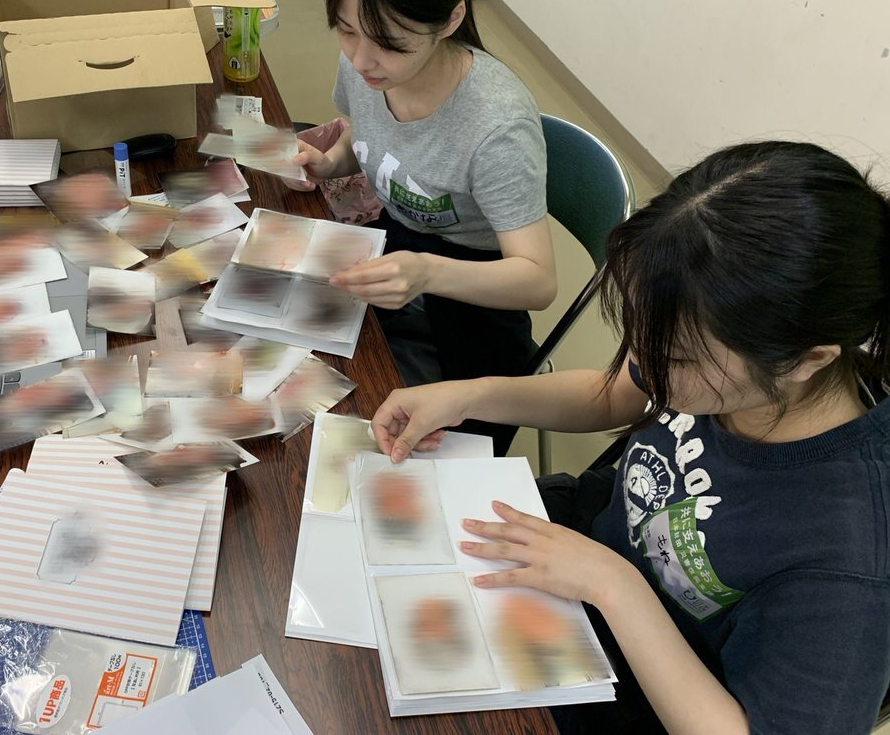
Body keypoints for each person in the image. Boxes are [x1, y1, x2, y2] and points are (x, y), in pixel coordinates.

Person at [371, 141, 890, 733]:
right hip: (581, 550)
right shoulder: (725, 367)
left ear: (806, 359)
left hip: (643, 686)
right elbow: (617, 393)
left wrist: (613, 586)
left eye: (676, 356)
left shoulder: (850, 562)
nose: (644, 363)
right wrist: (470, 395)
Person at [290, 0, 557, 455]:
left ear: (451, 18)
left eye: (390, 44)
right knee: (304, 385)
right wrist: (331, 161)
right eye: (346, 30)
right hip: (396, 262)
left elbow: (537, 281)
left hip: (475, 301)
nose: (362, 60)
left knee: (388, 452)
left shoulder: (496, 125)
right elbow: (368, 138)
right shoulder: (366, 64)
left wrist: (427, 272)